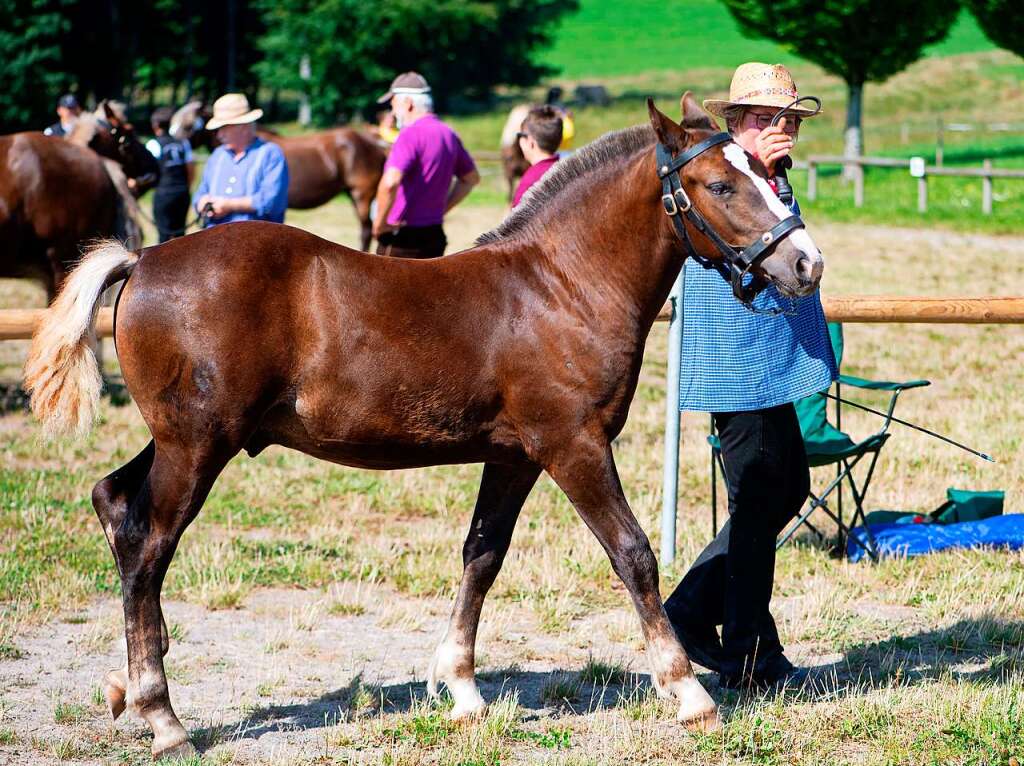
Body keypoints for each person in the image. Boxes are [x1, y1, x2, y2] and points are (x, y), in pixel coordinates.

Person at [662, 62, 837, 691]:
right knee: (759, 499)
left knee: (784, 490)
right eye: (768, 119)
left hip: (770, 366)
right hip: (737, 364)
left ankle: (686, 610)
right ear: (736, 122)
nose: (782, 129)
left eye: (788, 118)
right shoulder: (727, 181)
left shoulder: (768, 178)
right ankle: (750, 656)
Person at [372, 72, 479, 258]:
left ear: (408, 103)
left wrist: (380, 225)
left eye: (394, 102)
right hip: (434, 234)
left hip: (402, 237)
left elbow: (390, 183)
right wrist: (442, 209)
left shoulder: (408, 135)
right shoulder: (448, 134)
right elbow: (471, 179)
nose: (392, 108)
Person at [192, 93, 288, 226]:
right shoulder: (218, 155)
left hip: (257, 240)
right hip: (215, 240)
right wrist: (201, 203)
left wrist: (229, 206)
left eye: (224, 128)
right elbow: (201, 192)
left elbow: (270, 202)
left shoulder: (270, 154)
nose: (219, 134)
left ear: (243, 126)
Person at [146, 107, 195, 242]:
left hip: (163, 193)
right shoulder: (183, 143)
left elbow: (148, 170)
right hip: (182, 192)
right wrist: (186, 187)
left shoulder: (153, 144)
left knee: (163, 235)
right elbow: (191, 169)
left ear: (155, 125)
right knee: (180, 235)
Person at [511, 105, 562, 208]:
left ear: (530, 142)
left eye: (520, 136)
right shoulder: (566, 171)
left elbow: (516, 223)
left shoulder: (530, 182)